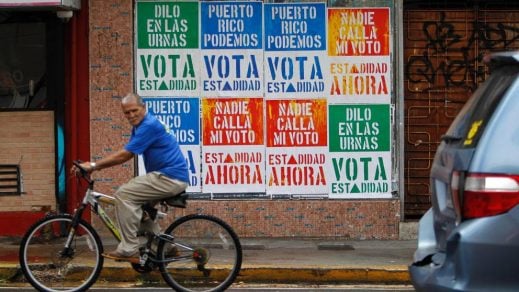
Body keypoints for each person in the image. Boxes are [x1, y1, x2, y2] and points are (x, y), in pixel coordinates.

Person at [73, 92, 189, 261]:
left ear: (144, 107)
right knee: (140, 212)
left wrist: (93, 166)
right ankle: (167, 248)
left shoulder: (149, 125)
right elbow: (127, 151)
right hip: (168, 176)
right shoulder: (140, 126)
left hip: (169, 177)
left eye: (134, 110)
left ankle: (128, 248)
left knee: (124, 195)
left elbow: (125, 155)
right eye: (127, 113)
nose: (131, 115)